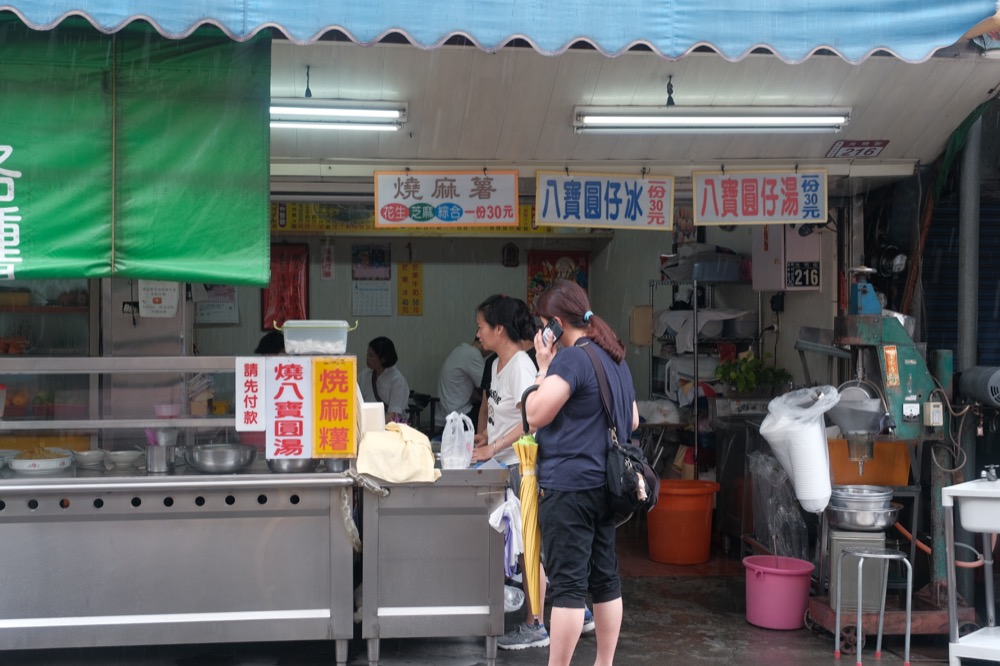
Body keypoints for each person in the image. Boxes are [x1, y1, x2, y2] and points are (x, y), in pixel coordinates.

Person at [524, 278, 639, 666]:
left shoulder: (571, 358)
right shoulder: (614, 356)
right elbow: (634, 419)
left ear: (555, 323)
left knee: (569, 586)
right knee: (605, 578)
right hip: (605, 486)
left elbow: (536, 414)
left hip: (568, 488)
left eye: (543, 324)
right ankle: (603, 663)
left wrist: (543, 367)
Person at [467, 295, 549, 649]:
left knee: (530, 544)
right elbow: (497, 410)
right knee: (518, 542)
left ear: (499, 329)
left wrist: (492, 447)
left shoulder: (520, 367)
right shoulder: (497, 363)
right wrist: (485, 433)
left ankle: (537, 624)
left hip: (522, 467)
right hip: (503, 464)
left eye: (482, 327)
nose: (478, 333)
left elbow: (530, 421)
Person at [435, 337, 488, 432]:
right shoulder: (474, 355)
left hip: (444, 412)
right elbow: (488, 387)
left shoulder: (461, 349)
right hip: (458, 414)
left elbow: (468, 391)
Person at [360, 336, 411, 423]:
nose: (367, 358)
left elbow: (393, 415)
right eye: (367, 353)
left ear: (383, 359)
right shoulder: (365, 374)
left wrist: (374, 427)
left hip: (389, 428)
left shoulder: (397, 381)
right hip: (367, 423)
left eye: (371, 355)